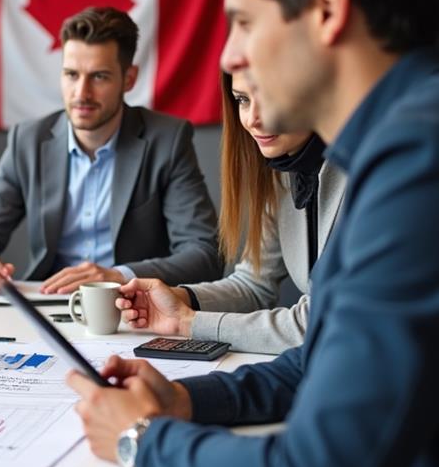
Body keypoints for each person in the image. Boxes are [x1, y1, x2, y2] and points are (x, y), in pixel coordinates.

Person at [66, 0, 439, 467]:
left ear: (327, 9)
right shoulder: (390, 142)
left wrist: (141, 440)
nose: (232, 54)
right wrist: (185, 399)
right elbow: (318, 355)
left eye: (242, 21)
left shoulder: (417, 158)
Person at [0, 7, 222, 296]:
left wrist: (117, 276)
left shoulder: (167, 141)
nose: (81, 93)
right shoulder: (27, 142)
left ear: (128, 79)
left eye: (99, 77)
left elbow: (205, 253)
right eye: (71, 74)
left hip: (132, 308)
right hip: (49, 306)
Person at [116, 72, 345, 354]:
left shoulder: (363, 175)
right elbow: (253, 285)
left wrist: (189, 323)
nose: (251, 119)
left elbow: (320, 324)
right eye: (242, 100)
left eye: (269, 97)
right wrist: (183, 298)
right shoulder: (282, 172)